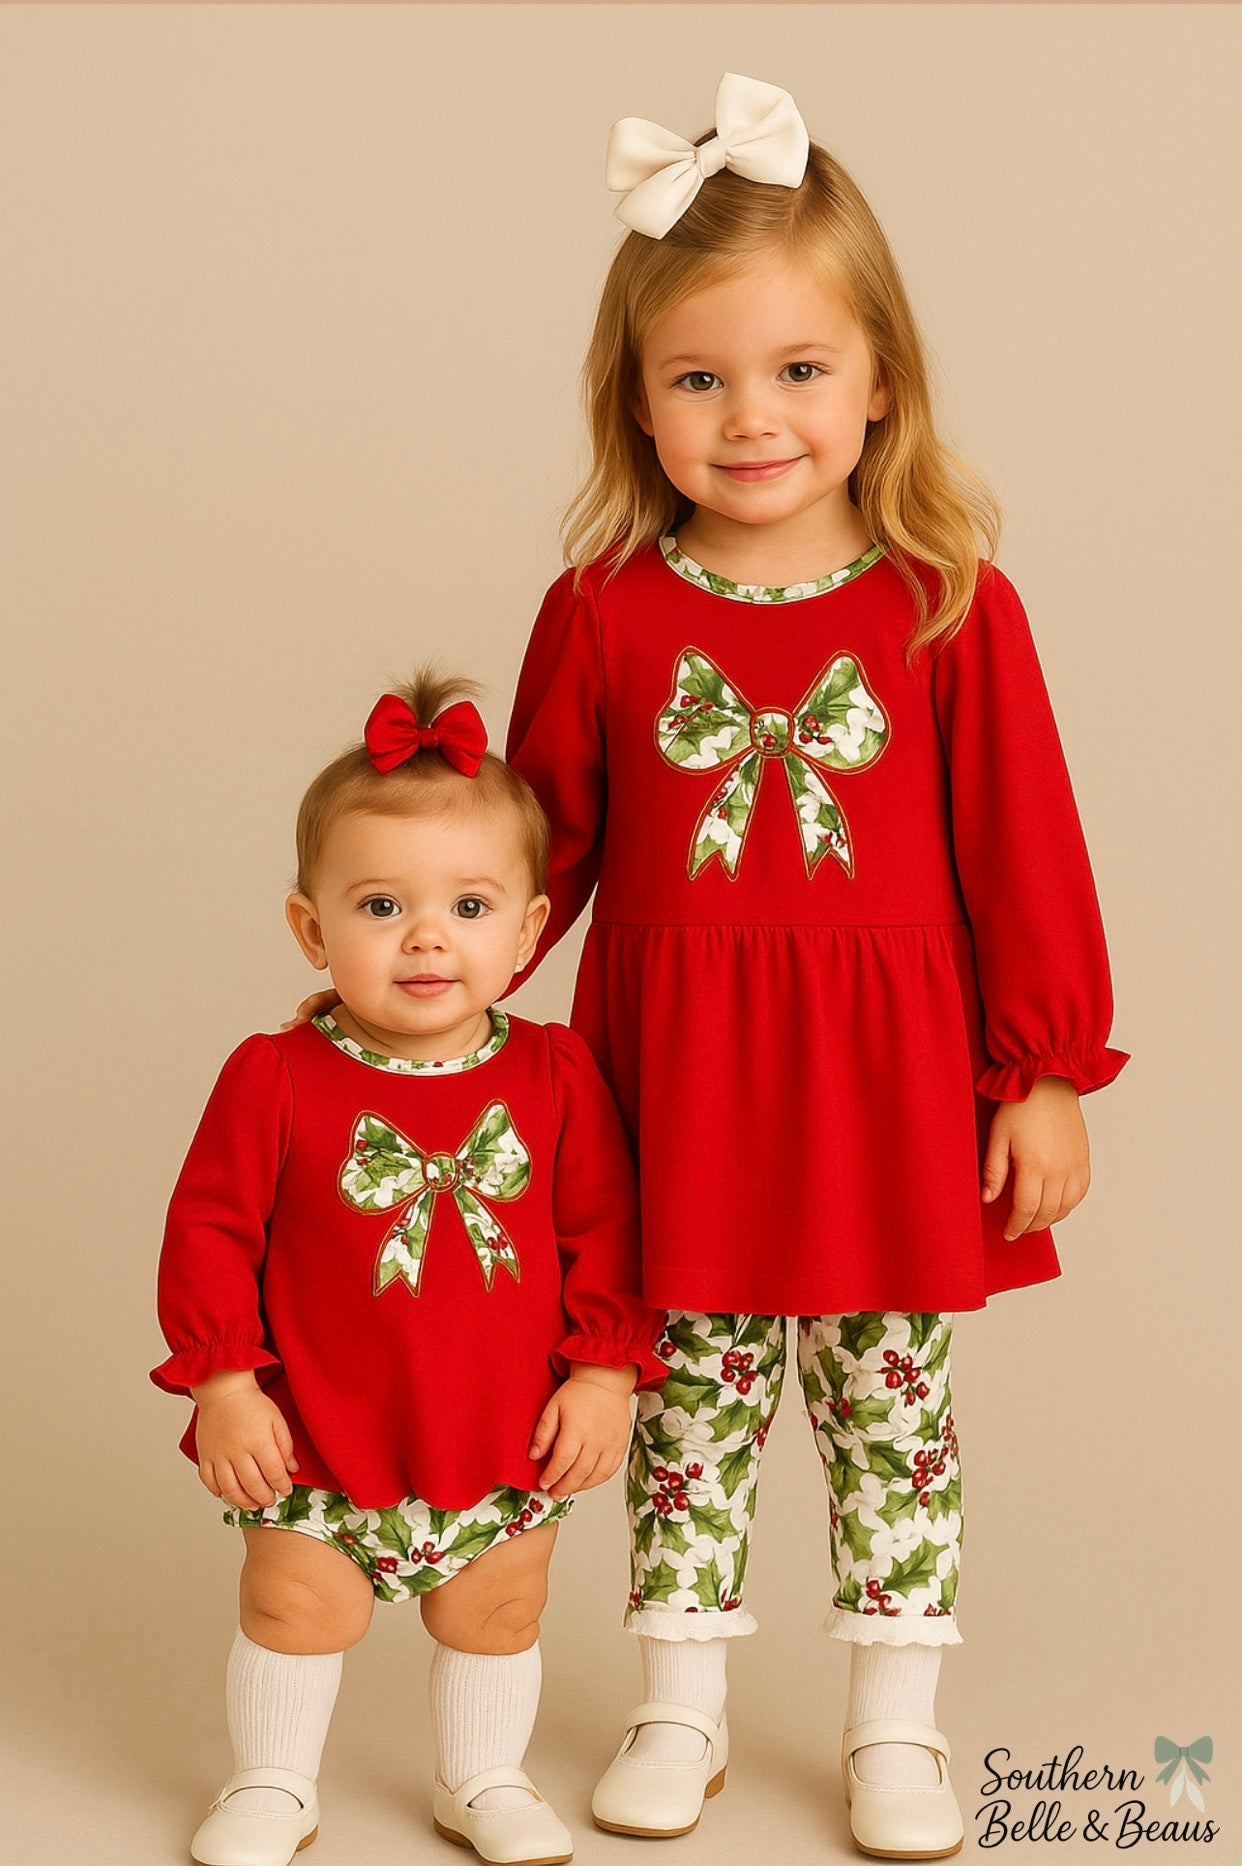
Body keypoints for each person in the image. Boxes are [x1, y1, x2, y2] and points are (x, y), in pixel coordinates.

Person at [503, 74, 1130, 1861]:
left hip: (887, 1090)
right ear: (637, 402)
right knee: (686, 1403)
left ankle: (893, 1726)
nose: (751, 416)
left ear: (878, 385)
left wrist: (1042, 1067)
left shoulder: (945, 600)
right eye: (698, 378)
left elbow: (1024, 849)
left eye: (795, 369)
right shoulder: (605, 609)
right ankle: (678, 1705)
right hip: (675, 1090)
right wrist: (425, 967)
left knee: (887, 1409)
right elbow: (536, 853)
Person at [151, 671, 666, 1866]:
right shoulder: (276, 1075)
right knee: (295, 1603)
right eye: (381, 905)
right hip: (317, 1423)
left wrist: (602, 1373)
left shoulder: (555, 1075)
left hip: (498, 1420)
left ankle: (480, 1777)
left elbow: (608, 1232)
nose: (428, 937)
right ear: (311, 929)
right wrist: (225, 1382)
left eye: (470, 906)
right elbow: (210, 1229)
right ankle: (273, 1782)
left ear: (529, 931)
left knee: (499, 1608)